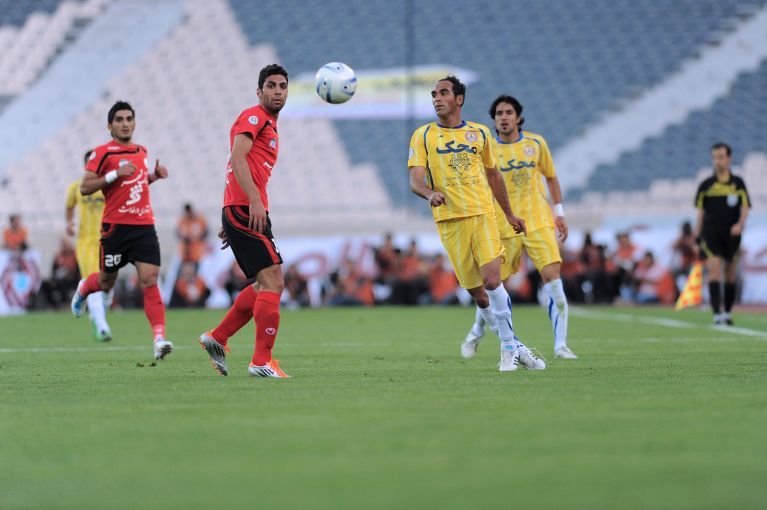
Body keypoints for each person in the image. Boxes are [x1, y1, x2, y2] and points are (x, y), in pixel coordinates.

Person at [408, 75, 544, 372]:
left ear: (459, 99)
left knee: (492, 280)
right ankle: (517, 345)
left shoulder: (480, 133)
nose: (436, 98)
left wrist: (508, 214)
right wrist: (430, 193)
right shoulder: (423, 135)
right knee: (478, 294)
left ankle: (508, 348)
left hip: (483, 214)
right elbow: (415, 180)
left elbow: (494, 176)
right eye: (434, 94)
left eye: (443, 93)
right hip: (450, 221)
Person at [462, 95, 577, 359]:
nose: (503, 117)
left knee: (553, 278)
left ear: (518, 117)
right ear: (494, 121)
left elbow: (551, 178)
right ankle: (477, 330)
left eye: (508, 112)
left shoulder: (536, 144)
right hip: (504, 225)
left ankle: (561, 345)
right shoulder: (488, 148)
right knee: (493, 285)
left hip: (538, 222)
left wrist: (559, 213)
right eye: (499, 113)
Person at [198, 64, 290, 378]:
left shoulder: (270, 125)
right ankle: (261, 362)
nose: (277, 91)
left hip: (241, 208)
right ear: (259, 91)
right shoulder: (254, 116)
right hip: (246, 208)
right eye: (271, 86)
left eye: (282, 86)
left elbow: (241, 164)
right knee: (273, 282)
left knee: (265, 283)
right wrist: (250, 201)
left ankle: (218, 337)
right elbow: (237, 158)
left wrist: (233, 212)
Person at [69, 101, 173, 360]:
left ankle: (159, 339)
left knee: (150, 279)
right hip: (116, 228)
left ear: (134, 123)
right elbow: (85, 187)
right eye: (119, 119)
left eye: (129, 119)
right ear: (110, 126)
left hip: (144, 226)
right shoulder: (102, 153)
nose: (125, 124)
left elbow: (135, 184)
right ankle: (84, 288)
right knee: (107, 282)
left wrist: (153, 177)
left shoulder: (141, 151)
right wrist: (114, 173)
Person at [694, 142, 751, 325]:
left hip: (731, 236)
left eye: (721, 157)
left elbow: (746, 207)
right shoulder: (706, 185)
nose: (718, 161)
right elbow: (700, 213)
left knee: (730, 274)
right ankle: (716, 313)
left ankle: (727, 312)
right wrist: (697, 237)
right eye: (715, 157)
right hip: (711, 235)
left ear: (729, 159)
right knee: (714, 270)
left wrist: (740, 224)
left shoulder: (737, 183)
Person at [66, 150, 111, 341]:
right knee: (95, 281)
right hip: (85, 242)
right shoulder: (76, 187)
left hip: (107, 241)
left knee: (108, 287)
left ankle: (94, 313)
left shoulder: (108, 185)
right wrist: (69, 223)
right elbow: (69, 206)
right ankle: (101, 327)